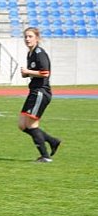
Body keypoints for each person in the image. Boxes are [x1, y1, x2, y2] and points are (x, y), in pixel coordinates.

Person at [19, 27, 61, 163]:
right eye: (25, 36)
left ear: (37, 38)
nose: (27, 39)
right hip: (33, 91)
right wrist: (27, 74)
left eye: (30, 36)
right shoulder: (30, 53)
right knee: (22, 125)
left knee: (31, 125)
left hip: (41, 92)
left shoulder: (39, 53)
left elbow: (45, 73)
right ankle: (53, 141)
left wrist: (28, 72)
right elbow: (35, 72)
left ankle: (45, 156)